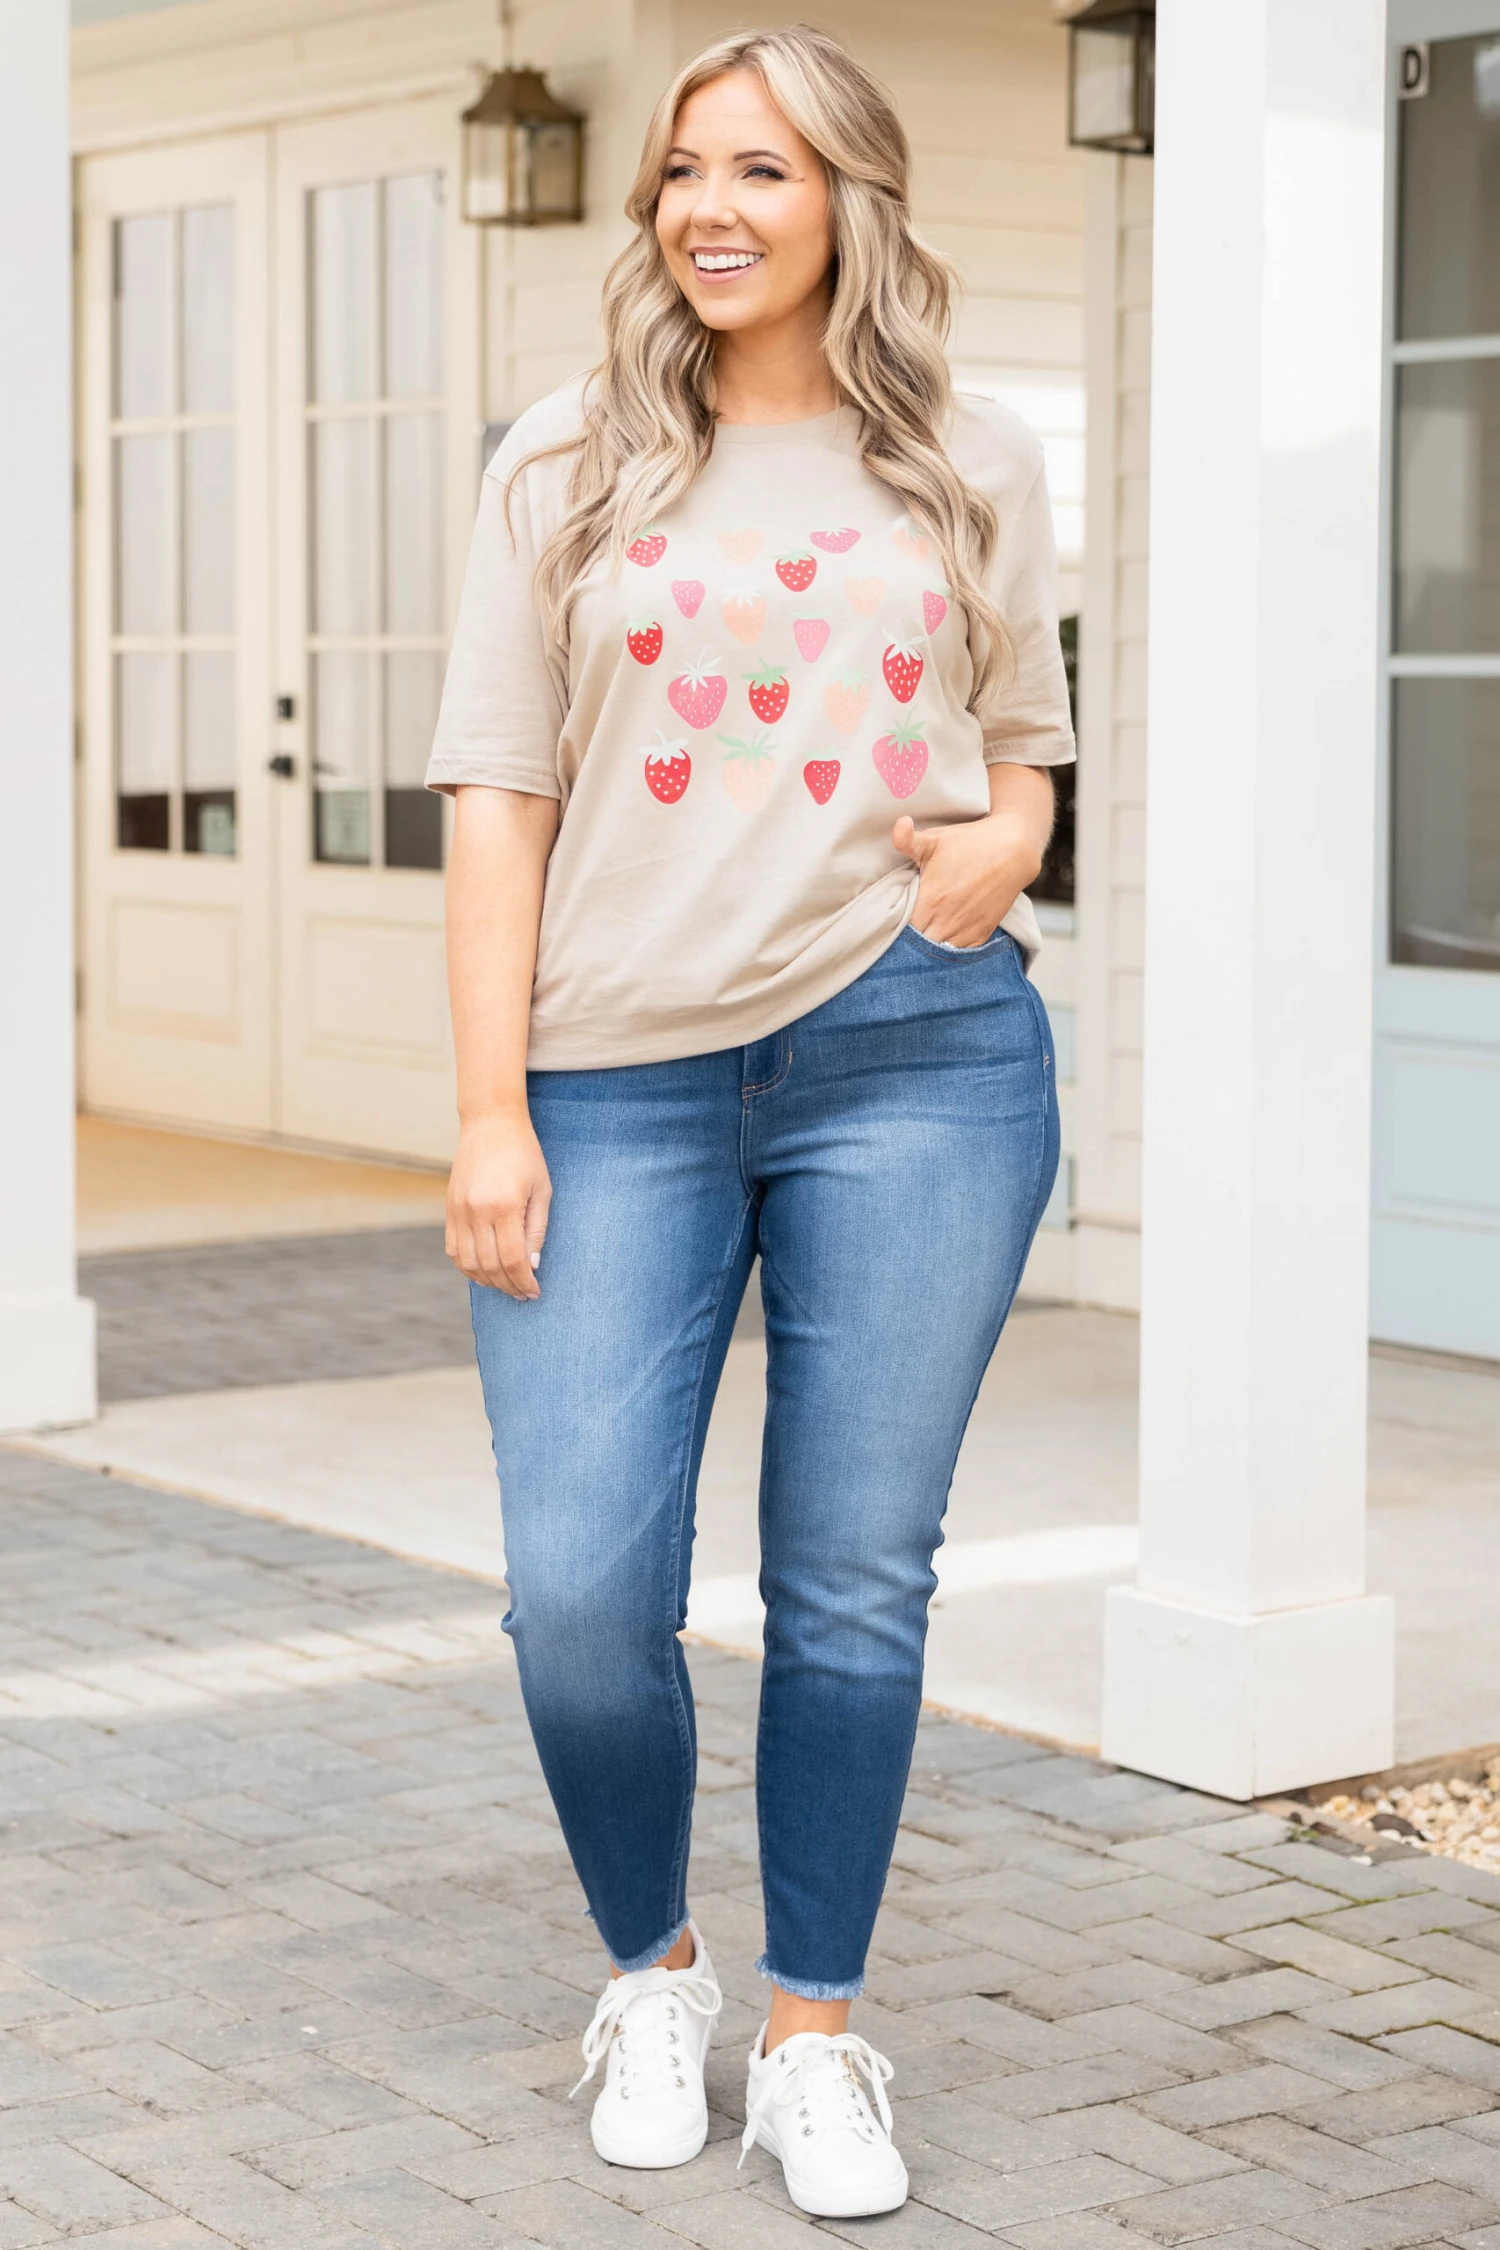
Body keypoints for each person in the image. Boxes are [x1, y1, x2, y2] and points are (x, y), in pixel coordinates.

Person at [427, 23, 1073, 2222]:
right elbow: (498, 797)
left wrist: (1013, 839)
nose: (712, 207)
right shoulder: (566, 458)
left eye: (763, 171)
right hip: (611, 1079)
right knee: (577, 1593)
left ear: (849, 204)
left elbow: (1025, 742)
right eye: (687, 169)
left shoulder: (973, 454)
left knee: (852, 1579)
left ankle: (813, 2035)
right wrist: (489, 1108)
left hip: (920, 1053)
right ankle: (653, 1974)